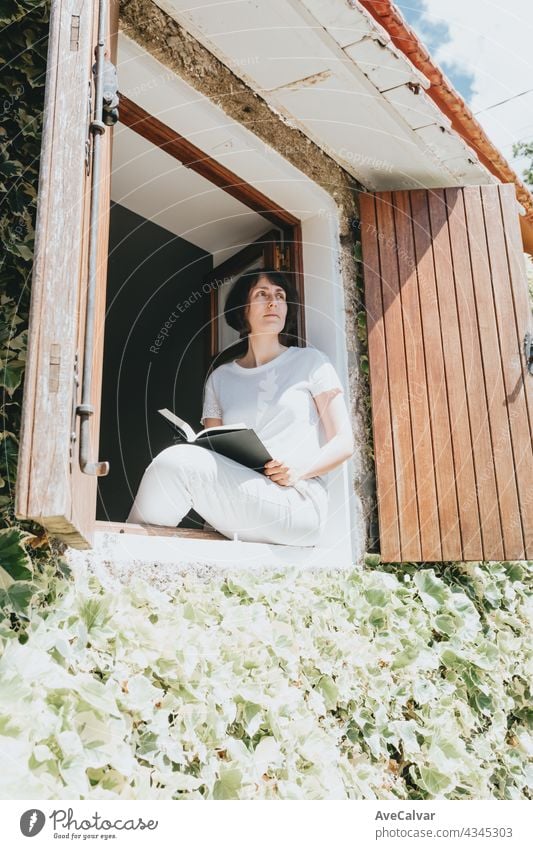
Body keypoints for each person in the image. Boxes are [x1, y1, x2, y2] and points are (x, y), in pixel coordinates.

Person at [127, 268, 354, 545]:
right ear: (242, 310)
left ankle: (126, 550)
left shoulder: (311, 362)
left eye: (280, 295)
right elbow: (212, 450)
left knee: (174, 463)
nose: (273, 302)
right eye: (262, 294)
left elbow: (344, 443)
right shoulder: (220, 378)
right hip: (240, 497)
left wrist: (298, 468)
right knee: (173, 464)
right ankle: (136, 554)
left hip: (298, 502)